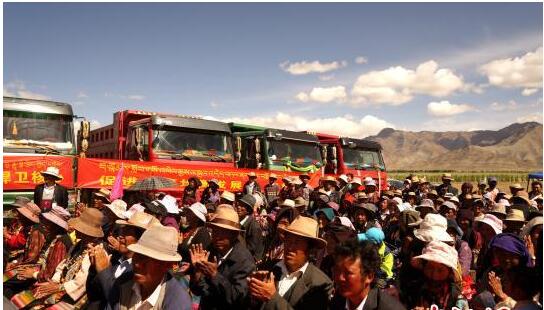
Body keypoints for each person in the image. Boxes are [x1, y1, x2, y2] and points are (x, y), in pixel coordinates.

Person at [94, 224, 192, 310]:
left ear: (167, 265)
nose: (137, 264)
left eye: (148, 260)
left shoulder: (177, 302)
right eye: (138, 256)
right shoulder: (123, 283)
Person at [247, 216, 333, 310]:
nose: (290, 247)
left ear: (310, 249)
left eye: (297, 243)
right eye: (288, 241)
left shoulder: (320, 283)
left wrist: (272, 297)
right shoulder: (268, 267)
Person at [27, 208, 105, 307]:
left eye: (79, 228)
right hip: (63, 287)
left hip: (76, 298)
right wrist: (54, 282)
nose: (75, 229)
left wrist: (59, 287)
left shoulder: (96, 250)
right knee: (28, 298)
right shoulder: (78, 244)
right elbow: (63, 265)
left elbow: (82, 282)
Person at [86, 211, 158, 309]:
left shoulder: (139, 271)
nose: (120, 236)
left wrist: (104, 271)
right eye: (123, 231)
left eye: (127, 233)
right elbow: (93, 294)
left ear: (142, 239)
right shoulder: (115, 259)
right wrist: (94, 269)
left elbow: (116, 300)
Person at [190, 205, 256, 310]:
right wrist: (197, 273)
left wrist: (215, 275)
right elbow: (200, 291)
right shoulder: (211, 250)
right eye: (215, 231)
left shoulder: (245, 261)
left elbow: (238, 298)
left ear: (234, 235)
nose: (217, 236)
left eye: (223, 232)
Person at [4, 206, 72, 299]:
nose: (44, 224)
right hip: (38, 270)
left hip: (43, 275)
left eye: (48, 221)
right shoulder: (53, 236)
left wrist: (33, 273)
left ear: (56, 225)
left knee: (8, 285)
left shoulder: (59, 241)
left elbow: (47, 268)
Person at [330, 239, 406, 310]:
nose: (340, 278)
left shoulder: (389, 307)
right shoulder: (338, 299)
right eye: (337, 271)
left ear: (369, 276)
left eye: (348, 273)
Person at [410, 241, 468, 309]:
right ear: (424, 267)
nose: (434, 275)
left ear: (449, 273)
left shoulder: (457, 298)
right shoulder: (413, 290)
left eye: (440, 270)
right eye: (430, 268)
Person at [179, 202, 211, 268]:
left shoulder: (203, 234)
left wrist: (180, 244)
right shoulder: (188, 229)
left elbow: (200, 258)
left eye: (190, 213)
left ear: (197, 217)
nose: (187, 214)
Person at [236, 194, 265, 261]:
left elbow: (251, 249)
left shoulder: (254, 226)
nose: (238, 207)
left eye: (242, 206)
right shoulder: (238, 222)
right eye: (239, 204)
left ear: (248, 210)